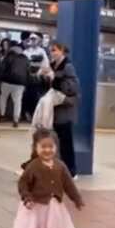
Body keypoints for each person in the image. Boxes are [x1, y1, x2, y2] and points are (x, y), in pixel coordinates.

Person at [9, 128, 84, 228]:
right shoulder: (33, 166)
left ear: (56, 147)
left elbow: (69, 184)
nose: (47, 150)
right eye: (43, 147)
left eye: (51, 147)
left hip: (55, 206)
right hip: (37, 205)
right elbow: (23, 184)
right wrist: (27, 198)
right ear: (35, 147)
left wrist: (77, 199)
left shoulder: (60, 166)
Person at [45, 42, 80, 178]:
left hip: (65, 110)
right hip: (54, 109)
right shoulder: (52, 66)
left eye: (54, 50)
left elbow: (72, 88)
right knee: (55, 142)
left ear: (62, 51)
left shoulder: (68, 67)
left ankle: (71, 172)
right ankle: (57, 168)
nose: (52, 53)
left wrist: (55, 79)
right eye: (50, 51)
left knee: (66, 143)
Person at [0, 41, 29, 128]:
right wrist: (25, 84)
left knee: (3, 97)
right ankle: (16, 120)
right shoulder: (25, 58)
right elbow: (28, 72)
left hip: (7, 81)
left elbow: (2, 68)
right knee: (17, 101)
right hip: (20, 83)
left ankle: (2, 115)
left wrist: (0, 80)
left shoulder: (8, 56)